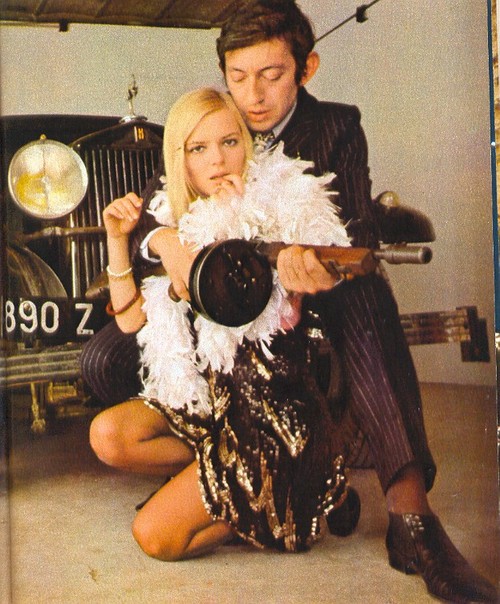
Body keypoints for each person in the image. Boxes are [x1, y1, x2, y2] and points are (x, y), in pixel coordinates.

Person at [82, 1, 497, 601]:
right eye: (238, 76)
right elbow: (157, 203)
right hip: (210, 309)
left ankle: (412, 516)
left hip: (308, 300)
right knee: (101, 361)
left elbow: (355, 233)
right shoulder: (217, 119)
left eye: (272, 75)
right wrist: (162, 241)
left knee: (368, 297)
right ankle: (265, 474)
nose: (253, 95)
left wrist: (302, 258)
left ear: (307, 68)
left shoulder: (335, 127)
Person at [90, 86, 352, 557]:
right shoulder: (176, 220)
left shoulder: (275, 211)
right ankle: (252, 490)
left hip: (269, 419)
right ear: (180, 159)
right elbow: (129, 323)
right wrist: (119, 239)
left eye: (230, 142)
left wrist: (232, 223)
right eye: (199, 148)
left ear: (246, 145)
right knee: (108, 436)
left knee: (156, 537)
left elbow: (292, 284)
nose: (218, 159)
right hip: (210, 413)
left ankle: (287, 499)